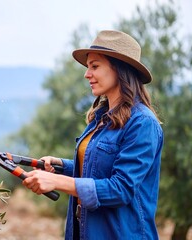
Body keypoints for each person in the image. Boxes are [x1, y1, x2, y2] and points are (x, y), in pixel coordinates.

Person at [22, 30, 164, 239]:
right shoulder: (101, 117)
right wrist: (60, 166)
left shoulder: (143, 123)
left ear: (119, 69)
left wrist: (57, 183)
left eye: (95, 66)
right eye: (88, 67)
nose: (87, 74)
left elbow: (120, 188)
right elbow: (98, 168)